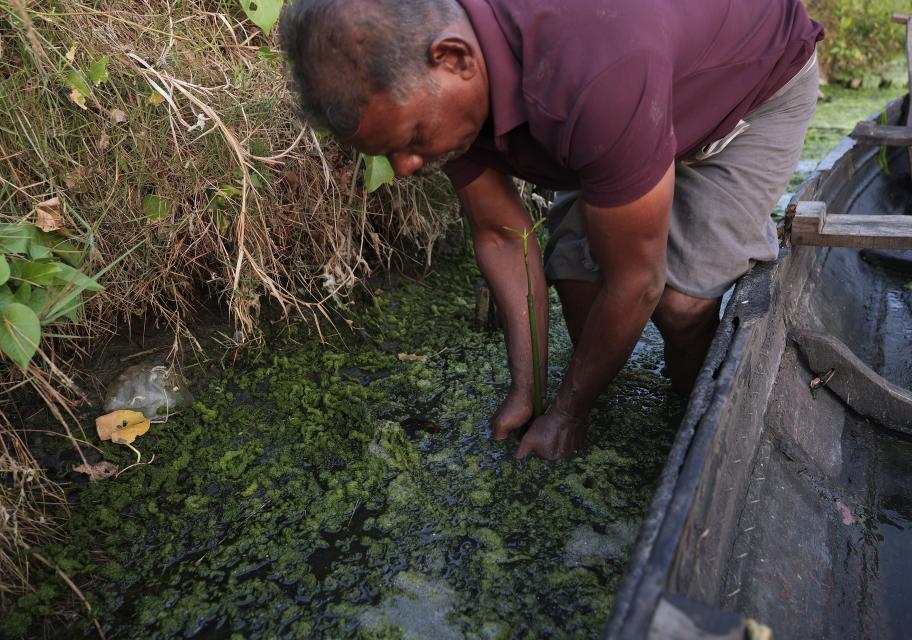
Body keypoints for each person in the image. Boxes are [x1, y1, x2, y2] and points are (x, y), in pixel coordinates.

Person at [280, 0, 823, 460]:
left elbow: (638, 282)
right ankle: (594, 400)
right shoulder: (439, 87)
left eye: (415, 138)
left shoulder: (593, 69)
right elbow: (500, 234)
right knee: (579, 283)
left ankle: (687, 420)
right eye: (390, 151)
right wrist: (531, 390)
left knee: (680, 306)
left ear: (454, 59)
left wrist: (567, 412)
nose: (404, 167)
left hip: (747, 92)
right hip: (625, 110)